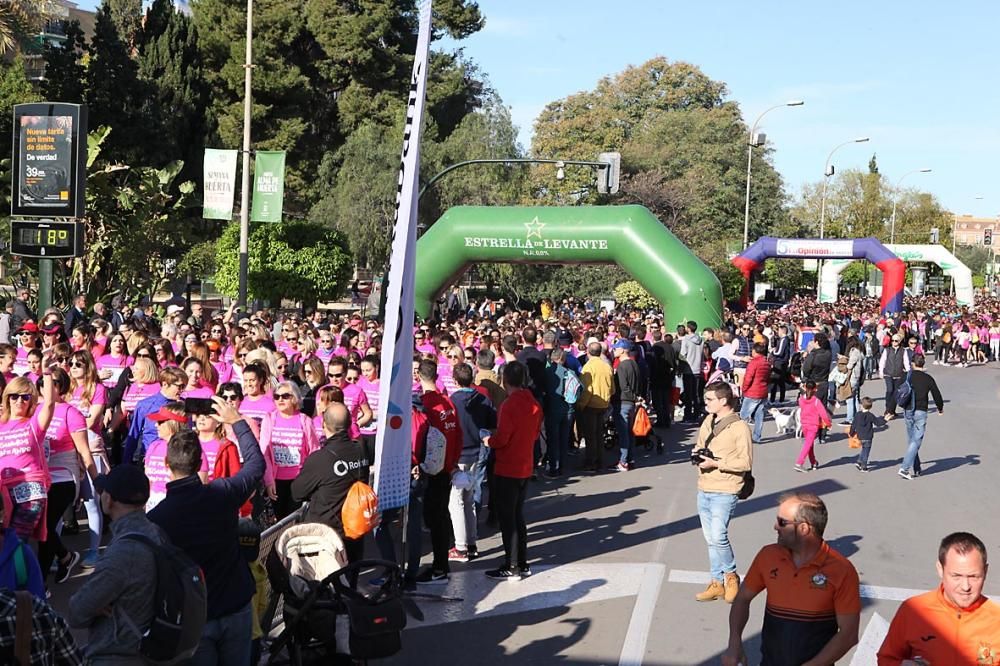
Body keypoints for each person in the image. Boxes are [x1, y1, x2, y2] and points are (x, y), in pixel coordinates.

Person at [148, 395, 264, 666]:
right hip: (235, 608)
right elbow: (256, 466)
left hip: (195, 617)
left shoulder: (157, 519)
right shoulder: (221, 494)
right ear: (202, 463)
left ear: (167, 465)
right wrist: (237, 422)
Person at [723, 491, 861, 666]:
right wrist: (734, 643)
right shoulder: (768, 556)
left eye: (782, 522)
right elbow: (742, 598)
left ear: (803, 529)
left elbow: (848, 634)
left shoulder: (842, 571)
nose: (775, 526)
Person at [68, 464, 165, 666]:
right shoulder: (156, 532)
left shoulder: (124, 552)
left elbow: (77, 611)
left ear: (108, 499)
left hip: (119, 653)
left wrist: (97, 604)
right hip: (150, 646)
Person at [877, 532, 1000, 664]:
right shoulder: (913, 611)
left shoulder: (996, 620)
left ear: (985, 571)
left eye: (973, 577)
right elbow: (887, 658)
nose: (965, 587)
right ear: (940, 569)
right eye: (956, 576)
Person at [692, 381, 752, 604]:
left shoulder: (740, 427)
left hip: (725, 488)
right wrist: (697, 455)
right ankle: (716, 582)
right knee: (710, 539)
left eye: (710, 399)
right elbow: (699, 444)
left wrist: (716, 463)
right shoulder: (708, 420)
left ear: (723, 400)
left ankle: (731, 576)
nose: (705, 403)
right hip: (704, 486)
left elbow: (745, 462)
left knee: (718, 536)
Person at [484, 361, 543, 581]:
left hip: (508, 465)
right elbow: (536, 434)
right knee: (518, 516)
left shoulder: (509, 405)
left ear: (504, 380)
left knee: (508, 519)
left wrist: (488, 440)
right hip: (525, 464)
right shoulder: (533, 403)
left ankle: (512, 564)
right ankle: (522, 562)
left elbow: (502, 438)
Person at [292, 402, 371, 563]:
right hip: (354, 529)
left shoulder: (320, 459)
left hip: (326, 536)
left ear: (323, 424)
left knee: (327, 585)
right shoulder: (360, 450)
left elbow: (297, 493)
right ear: (350, 423)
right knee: (350, 582)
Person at [413, 360, 463, 585]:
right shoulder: (448, 401)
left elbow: (419, 436)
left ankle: (440, 567)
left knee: (435, 518)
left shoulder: (427, 405)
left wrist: (417, 462)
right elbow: (458, 434)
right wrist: (453, 463)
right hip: (447, 466)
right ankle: (441, 563)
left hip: (433, 469)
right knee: (440, 515)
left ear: (418, 376)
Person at [447, 363, 495, 562]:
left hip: (459, 456)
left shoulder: (452, 401)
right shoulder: (483, 399)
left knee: (455, 502)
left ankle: (461, 547)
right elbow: (492, 424)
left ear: (455, 381)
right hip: (477, 453)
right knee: (469, 500)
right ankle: (472, 542)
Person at [899, 354, 944, 480]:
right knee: (916, 441)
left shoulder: (907, 376)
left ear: (913, 363)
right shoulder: (928, 378)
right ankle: (904, 468)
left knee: (912, 440)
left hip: (908, 410)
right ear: (923, 364)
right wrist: (940, 408)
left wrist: (891, 409)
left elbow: (899, 391)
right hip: (921, 411)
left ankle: (917, 467)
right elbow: (937, 394)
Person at [577, 341, 612, 473]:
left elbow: (587, 390)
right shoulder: (606, 366)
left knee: (591, 435)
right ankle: (600, 460)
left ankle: (591, 462)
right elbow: (611, 387)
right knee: (599, 433)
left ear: (588, 352)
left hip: (591, 404)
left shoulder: (588, 367)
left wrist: (581, 404)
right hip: (603, 403)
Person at [611, 340, 640, 471]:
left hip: (623, 401)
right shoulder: (634, 363)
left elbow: (623, 386)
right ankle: (630, 459)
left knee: (623, 434)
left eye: (616, 348)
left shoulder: (622, 366)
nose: (614, 350)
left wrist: (631, 396)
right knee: (629, 433)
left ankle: (623, 461)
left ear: (622, 350)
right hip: (631, 403)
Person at [795, 381, 831, 473]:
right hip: (813, 425)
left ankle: (813, 462)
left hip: (804, 424)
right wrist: (828, 424)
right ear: (815, 389)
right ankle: (799, 463)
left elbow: (801, 406)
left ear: (805, 387)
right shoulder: (816, 401)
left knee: (809, 444)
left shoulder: (801, 399)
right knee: (807, 444)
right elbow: (824, 414)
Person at [739, 343, 770, 444]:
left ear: (754, 351)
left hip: (752, 392)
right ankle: (757, 437)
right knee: (759, 415)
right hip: (763, 391)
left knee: (743, 416)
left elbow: (748, 378)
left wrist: (744, 389)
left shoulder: (753, 363)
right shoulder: (766, 362)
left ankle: (740, 437)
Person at [848, 396, 886, 472]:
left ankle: (859, 461)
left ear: (861, 405)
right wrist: (885, 420)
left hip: (860, 436)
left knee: (863, 449)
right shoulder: (870, 415)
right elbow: (878, 423)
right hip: (868, 437)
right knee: (866, 451)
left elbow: (853, 425)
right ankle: (864, 466)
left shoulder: (857, 415)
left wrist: (851, 433)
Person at [879, 332, 911, 420]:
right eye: (892, 341)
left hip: (898, 374)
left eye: (896, 341)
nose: (894, 342)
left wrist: (909, 372)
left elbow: (906, 362)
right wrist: (881, 372)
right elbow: (882, 361)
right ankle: (887, 409)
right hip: (888, 374)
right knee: (889, 390)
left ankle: (892, 410)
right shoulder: (887, 350)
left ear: (899, 342)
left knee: (896, 393)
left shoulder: (903, 351)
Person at [679, 321, 704, 422]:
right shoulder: (701, 340)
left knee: (688, 394)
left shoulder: (686, 339)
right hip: (698, 368)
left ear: (688, 329)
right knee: (696, 393)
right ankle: (697, 413)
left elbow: (682, 354)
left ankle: (688, 415)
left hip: (688, 369)